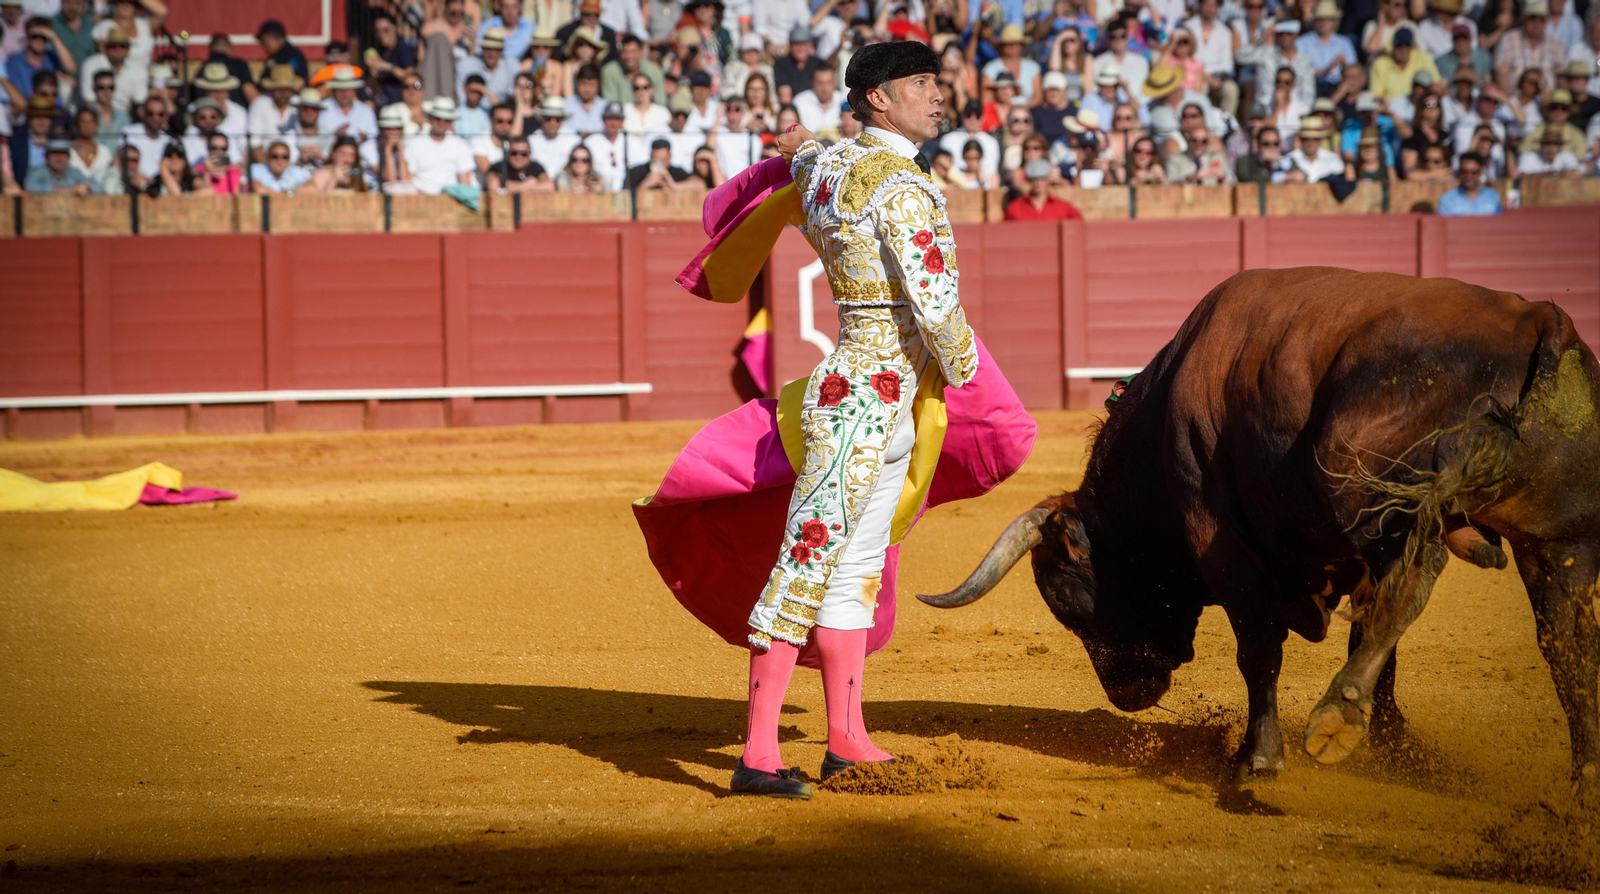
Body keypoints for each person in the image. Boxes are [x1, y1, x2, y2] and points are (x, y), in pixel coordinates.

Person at [727, 41, 982, 800]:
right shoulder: (902, 187)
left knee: (852, 575)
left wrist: (797, 143)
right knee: (807, 567)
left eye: (937, 82)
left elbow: (807, 157)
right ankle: (758, 756)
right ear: (878, 97)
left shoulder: (831, 166)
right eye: (919, 84)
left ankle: (847, 739)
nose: (937, 95)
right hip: (870, 403)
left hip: (861, 397)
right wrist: (966, 366)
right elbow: (935, 304)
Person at [404, 97, 478, 194]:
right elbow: (408, 177)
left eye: (446, 120)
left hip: (451, 196)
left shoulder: (460, 145)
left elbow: (465, 180)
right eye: (438, 119)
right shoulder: (414, 143)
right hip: (419, 195)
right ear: (430, 118)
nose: (442, 123)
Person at [1492, 0, 1562, 95]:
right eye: (1532, 18)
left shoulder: (1556, 44)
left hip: (1547, 100)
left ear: (1546, 22)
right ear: (1525, 19)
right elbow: (1501, 73)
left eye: (1541, 19)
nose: (1537, 23)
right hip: (1514, 98)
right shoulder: (1508, 39)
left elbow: (1562, 76)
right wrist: (1511, 101)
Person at [247, 65, 304, 162]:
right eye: (279, 89)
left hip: (297, 163)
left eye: (287, 89)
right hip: (266, 162)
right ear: (271, 89)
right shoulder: (259, 105)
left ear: (292, 90)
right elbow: (255, 144)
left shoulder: (300, 104)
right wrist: (269, 168)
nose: (283, 93)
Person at [367, 13, 420, 108]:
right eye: (377, 31)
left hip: (399, 105)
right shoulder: (382, 51)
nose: (381, 34)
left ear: (395, 29)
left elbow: (410, 77)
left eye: (386, 30)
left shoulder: (403, 48)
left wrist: (385, 66)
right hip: (385, 103)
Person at [457, 26, 519, 105]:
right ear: (482, 48)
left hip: (502, 111)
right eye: (488, 48)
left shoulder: (511, 66)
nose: (492, 53)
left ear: (502, 51)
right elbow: (461, 98)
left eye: (497, 49)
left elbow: (514, 97)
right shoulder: (466, 65)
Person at [1004, 156, 1082, 218]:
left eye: (1042, 179)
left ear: (1048, 179)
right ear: (1029, 180)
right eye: (1034, 179)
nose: (1038, 183)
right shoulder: (1015, 208)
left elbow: (1080, 225)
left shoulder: (1064, 208)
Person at [320, 64, 381, 144]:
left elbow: (373, 136)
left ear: (354, 90)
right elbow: (317, 137)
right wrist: (334, 137)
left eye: (348, 89)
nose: (344, 93)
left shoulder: (366, 111)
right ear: (334, 91)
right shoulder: (322, 109)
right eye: (340, 89)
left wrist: (365, 138)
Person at [584, 100, 639, 188]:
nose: (613, 123)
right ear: (603, 119)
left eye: (617, 119)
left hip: (628, 189)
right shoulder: (591, 142)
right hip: (599, 190)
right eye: (610, 118)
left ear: (623, 121)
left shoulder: (633, 141)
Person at [600, 32, 664, 105]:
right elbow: (610, 103)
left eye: (633, 51)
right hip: (619, 111)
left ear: (641, 52)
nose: (629, 56)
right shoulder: (609, 71)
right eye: (625, 51)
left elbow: (660, 102)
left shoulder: (654, 71)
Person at [119, 94, 170, 177]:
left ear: (166, 116)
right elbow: (120, 162)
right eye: (151, 113)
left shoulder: (168, 141)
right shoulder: (129, 133)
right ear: (143, 113)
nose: (155, 118)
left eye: (160, 114)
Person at [1437, 149, 1501, 213]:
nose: (1469, 176)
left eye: (1474, 172)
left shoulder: (1492, 196)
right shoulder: (1447, 200)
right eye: (1464, 172)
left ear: (1480, 173)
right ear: (1458, 172)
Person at [24, 137, 97, 193]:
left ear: (69, 158)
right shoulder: (37, 171)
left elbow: (98, 187)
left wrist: (87, 187)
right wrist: (71, 190)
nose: (59, 157)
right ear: (46, 157)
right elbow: (30, 187)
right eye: (55, 152)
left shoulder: (74, 172)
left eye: (63, 153)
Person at [1287, 113, 1345, 179]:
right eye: (1306, 138)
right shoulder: (1288, 160)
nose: (1311, 142)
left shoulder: (1334, 160)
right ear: (1300, 139)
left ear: (1321, 139)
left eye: (1315, 138)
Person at [486, 135, 552, 191]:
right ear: (508, 154)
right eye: (514, 153)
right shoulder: (498, 167)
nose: (518, 157)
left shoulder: (535, 166)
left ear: (530, 155)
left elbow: (549, 186)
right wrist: (528, 185)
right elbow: (494, 187)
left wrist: (510, 187)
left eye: (524, 154)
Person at [308, 136, 372, 193]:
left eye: (351, 155)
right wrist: (334, 178)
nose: (347, 159)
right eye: (342, 153)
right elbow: (320, 201)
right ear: (333, 154)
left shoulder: (357, 174)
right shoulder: (322, 174)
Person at [626, 136, 694, 187]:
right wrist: (645, 184)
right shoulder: (636, 172)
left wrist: (672, 184)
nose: (659, 164)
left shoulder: (679, 173)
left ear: (670, 157)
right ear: (650, 156)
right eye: (655, 160)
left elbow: (696, 185)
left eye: (663, 160)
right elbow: (625, 195)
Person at [792, 63, 843, 132]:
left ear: (835, 83)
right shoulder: (799, 102)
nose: (825, 88)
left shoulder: (845, 101)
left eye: (829, 82)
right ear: (813, 83)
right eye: (820, 83)